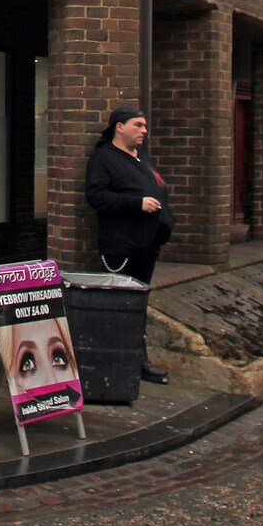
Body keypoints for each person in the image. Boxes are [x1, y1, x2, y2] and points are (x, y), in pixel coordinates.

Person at [85, 105, 174, 383]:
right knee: (121, 305)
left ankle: (137, 360)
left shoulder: (140, 158)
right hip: (122, 246)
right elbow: (96, 196)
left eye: (145, 126)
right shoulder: (104, 158)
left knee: (138, 305)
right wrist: (136, 203)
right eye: (138, 125)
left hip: (147, 245)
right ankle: (122, 363)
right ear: (119, 127)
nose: (144, 131)